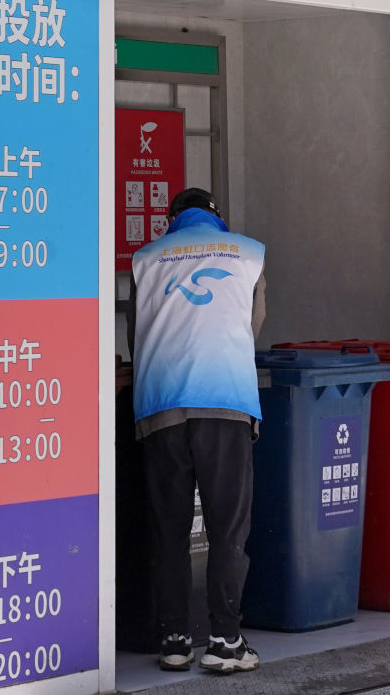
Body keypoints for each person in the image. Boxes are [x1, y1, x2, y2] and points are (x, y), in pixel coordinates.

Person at [128, 187, 266, 674]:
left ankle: (174, 639)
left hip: (161, 406)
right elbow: (252, 325)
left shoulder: (146, 258)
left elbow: (136, 332)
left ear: (172, 219)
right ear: (215, 216)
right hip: (225, 403)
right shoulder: (247, 253)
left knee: (169, 530)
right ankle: (225, 641)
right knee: (228, 528)